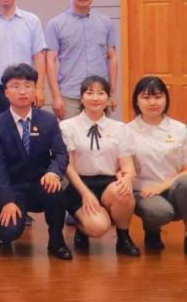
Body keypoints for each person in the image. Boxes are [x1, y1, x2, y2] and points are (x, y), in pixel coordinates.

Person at [0, 63, 71, 259]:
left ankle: (56, 241)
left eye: (28, 86)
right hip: (12, 188)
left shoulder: (48, 120)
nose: (22, 91)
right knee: (9, 233)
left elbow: (61, 154)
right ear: (6, 92)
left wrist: (53, 173)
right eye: (15, 86)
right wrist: (7, 200)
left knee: (56, 188)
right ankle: (2, 223)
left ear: (35, 90)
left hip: (40, 184)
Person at [60, 76, 139, 256]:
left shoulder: (120, 128)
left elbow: (127, 165)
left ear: (108, 99)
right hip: (78, 184)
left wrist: (127, 178)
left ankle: (123, 238)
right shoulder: (67, 127)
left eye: (101, 93)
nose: (95, 98)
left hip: (108, 183)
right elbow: (68, 167)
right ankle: (82, 227)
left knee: (124, 192)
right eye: (90, 93)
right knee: (98, 227)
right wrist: (86, 193)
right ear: (81, 98)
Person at [127, 76, 187, 258]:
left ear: (166, 99)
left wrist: (161, 186)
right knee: (160, 212)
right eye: (146, 97)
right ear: (136, 101)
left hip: (172, 188)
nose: (152, 102)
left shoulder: (179, 129)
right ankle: (152, 230)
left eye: (158, 96)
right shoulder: (127, 131)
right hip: (143, 192)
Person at [45, 0, 118, 120]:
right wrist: (56, 97)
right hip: (70, 96)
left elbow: (112, 58)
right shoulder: (56, 24)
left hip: (100, 95)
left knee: (103, 134)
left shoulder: (106, 22)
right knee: (70, 135)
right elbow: (50, 61)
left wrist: (112, 94)